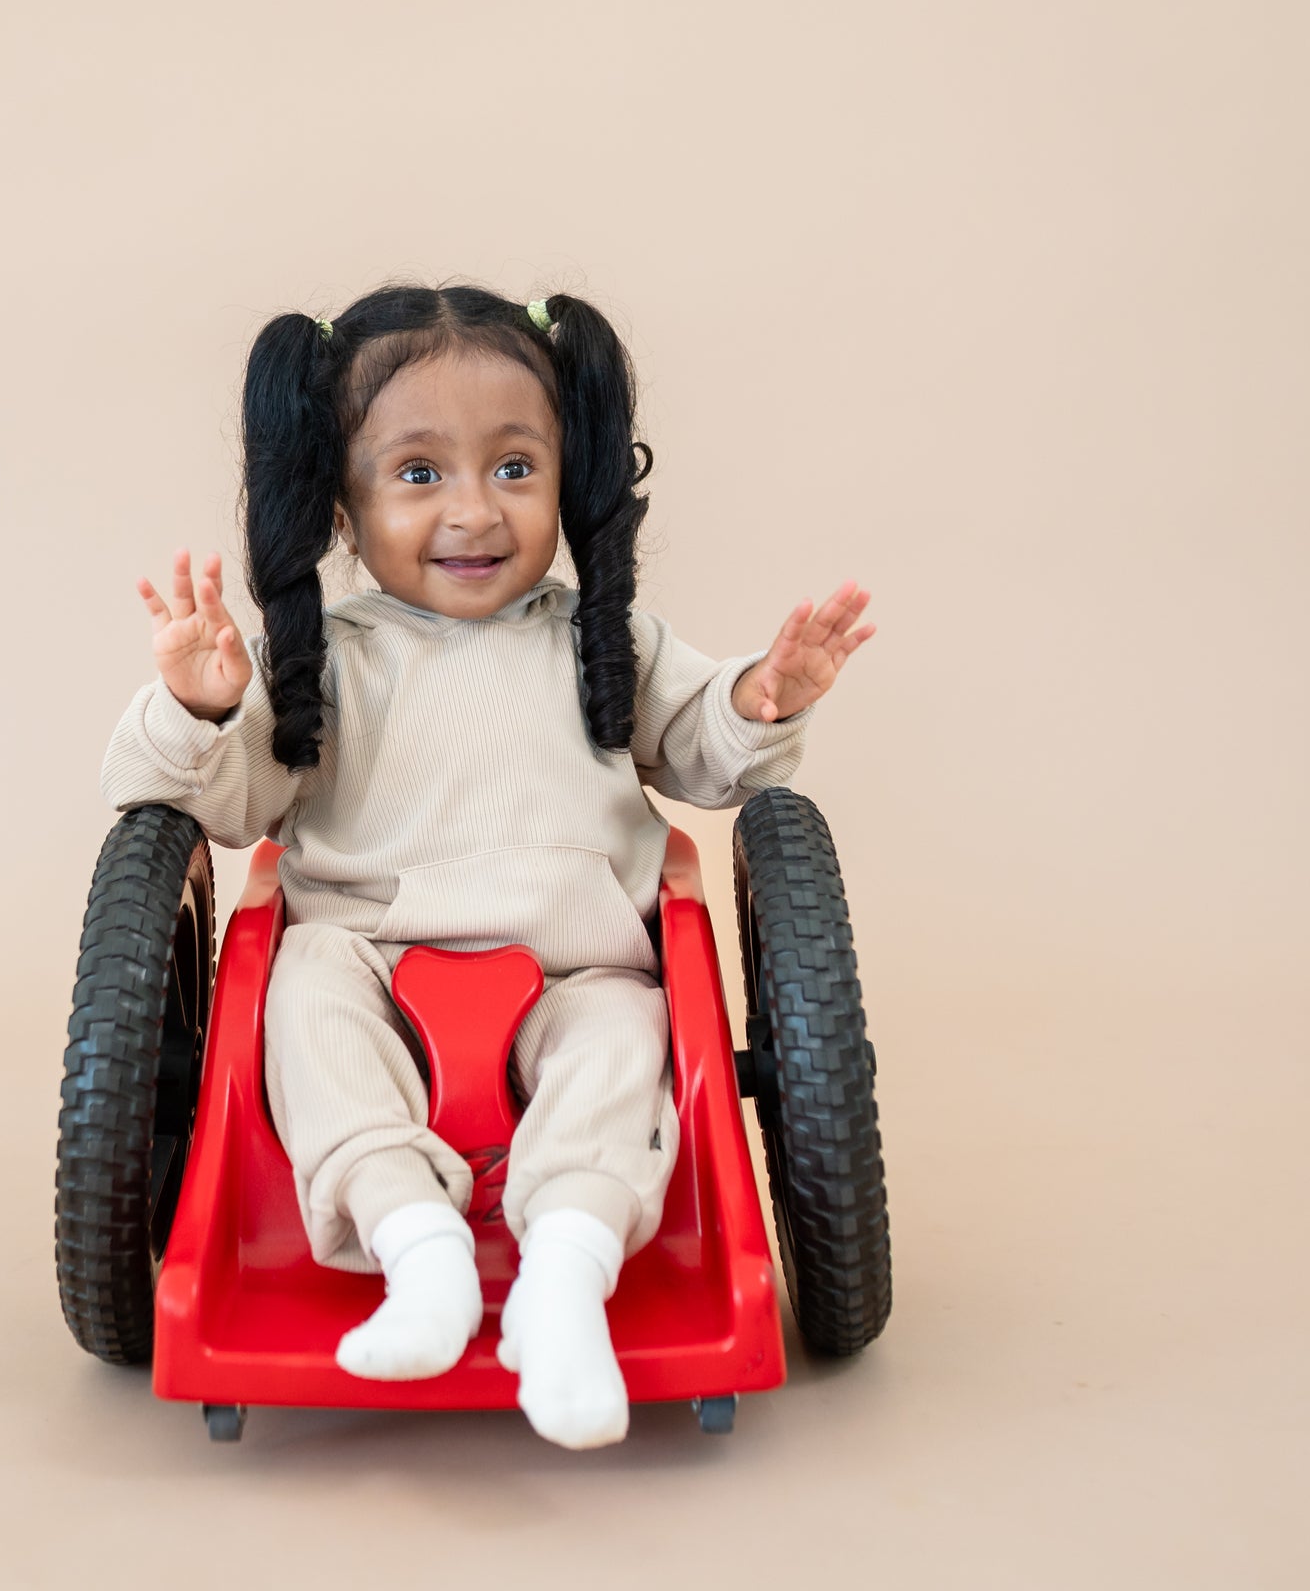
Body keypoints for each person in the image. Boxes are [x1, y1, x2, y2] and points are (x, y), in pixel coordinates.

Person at [100, 283, 874, 1448]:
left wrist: (760, 699)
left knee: (624, 1043)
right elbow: (214, 796)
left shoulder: (602, 637)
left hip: (579, 966)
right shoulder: (326, 658)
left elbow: (702, 752)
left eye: (515, 468)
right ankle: (417, 1248)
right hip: (369, 954)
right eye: (419, 475)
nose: (475, 510)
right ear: (344, 506)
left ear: (567, 479)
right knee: (302, 1004)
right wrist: (203, 704)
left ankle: (564, 1273)